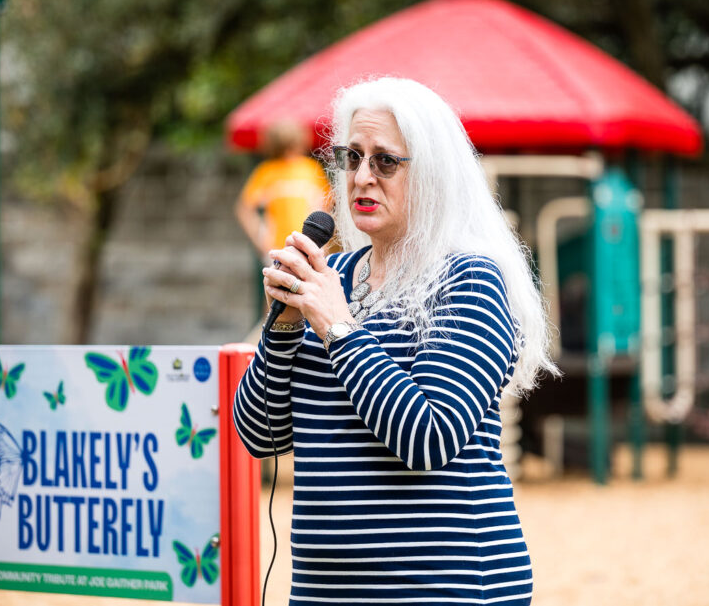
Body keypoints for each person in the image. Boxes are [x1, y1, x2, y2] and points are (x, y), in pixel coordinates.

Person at [232, 77, 556, 604]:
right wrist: (286, 323)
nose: (361, 177)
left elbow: (428, 437)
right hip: (325, 591)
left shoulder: (468, 281)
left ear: (432, 175)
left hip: (443, 588)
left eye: (385, 161)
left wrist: (337, 327)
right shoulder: (330, 276)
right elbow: (261, 436)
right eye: (351, 157)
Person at [236, 119, 331, 263]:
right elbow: (326, 208)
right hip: (291, 247)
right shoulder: (308, 169)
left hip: (300, 247)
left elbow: (244, 210)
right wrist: (261, 242)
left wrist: (260, 241)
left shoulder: (269, 171)